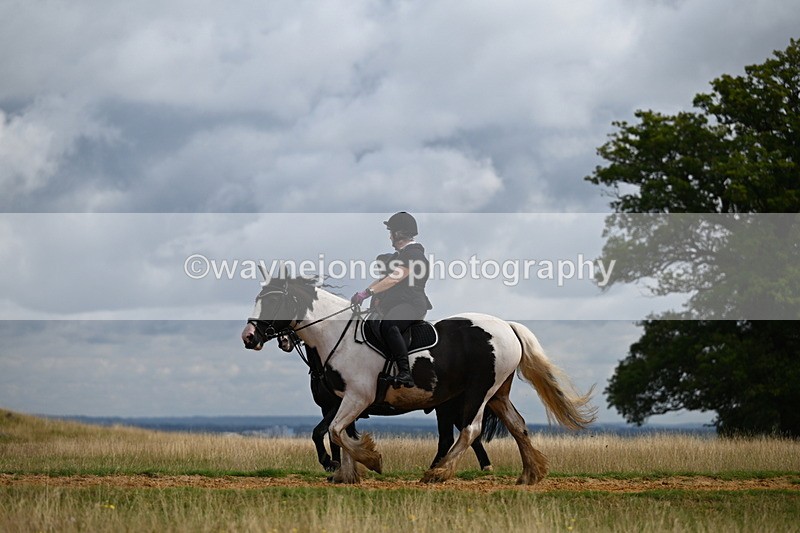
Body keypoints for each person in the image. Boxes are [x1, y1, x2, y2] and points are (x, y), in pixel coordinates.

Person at [351, 212, 432, 388]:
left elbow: (394, 278)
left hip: (412, 304)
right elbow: (383, 280)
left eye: (391, 232)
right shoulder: (398, 256)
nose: (389, 236)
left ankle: (405, 373)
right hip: (397, 303)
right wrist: (364, 293)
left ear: (399, 233)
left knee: (390, 325)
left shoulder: (414, 255)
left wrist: (368, 293)